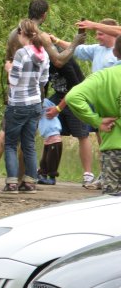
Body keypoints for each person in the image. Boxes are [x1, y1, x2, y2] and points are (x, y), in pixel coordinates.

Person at [0, 0, 85, 189]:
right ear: (44, 14)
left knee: (6, 132)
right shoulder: (41, 37)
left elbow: (7, 58)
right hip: (33, 94)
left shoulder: (14, 32)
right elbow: (59, 60)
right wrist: (75, 43)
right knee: (26, 139)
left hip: (15, 89)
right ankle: (23, 180)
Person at [55, 18, 119, 187]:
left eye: (101, 34)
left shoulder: (117, 50)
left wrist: (93, 25)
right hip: (101, 105)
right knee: (103, 142)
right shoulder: (97, 50)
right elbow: (76, 49)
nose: (97, 37)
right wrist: (55, 41)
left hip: (115, 102)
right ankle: (106, 175)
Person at [66, 35, 121, 194]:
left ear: (115, 53)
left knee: (111, 204)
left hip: (114, 149)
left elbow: (72, 97)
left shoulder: (104, 76)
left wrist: (96, 121)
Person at [2, 19, 49, 194]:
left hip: (18, 104)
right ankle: (30, 182)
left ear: (22, 33)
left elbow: (13, 80)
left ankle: (12, 182)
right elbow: (44, 80)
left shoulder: (21, 54)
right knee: (29, 144)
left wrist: (9, 68)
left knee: (11, 144)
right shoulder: (43, 53)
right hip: (35, 103)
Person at [39, 47, 92, 186]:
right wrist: (41, 103)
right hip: (59, 95)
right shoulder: (43, 59)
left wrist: (58, 109)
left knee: (82, 134)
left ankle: (88, 174)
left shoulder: (65, 61)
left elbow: (75, 89)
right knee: (50, 128)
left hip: (77, 96)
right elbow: (43, 84)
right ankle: (47, 172)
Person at [37, 98, 63, 185]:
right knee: (44, 159)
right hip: (48, 138)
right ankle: (42, 174)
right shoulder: (43, 102)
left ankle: (52, 178)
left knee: (51, 160)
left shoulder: (42, 102)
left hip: (54, 138)